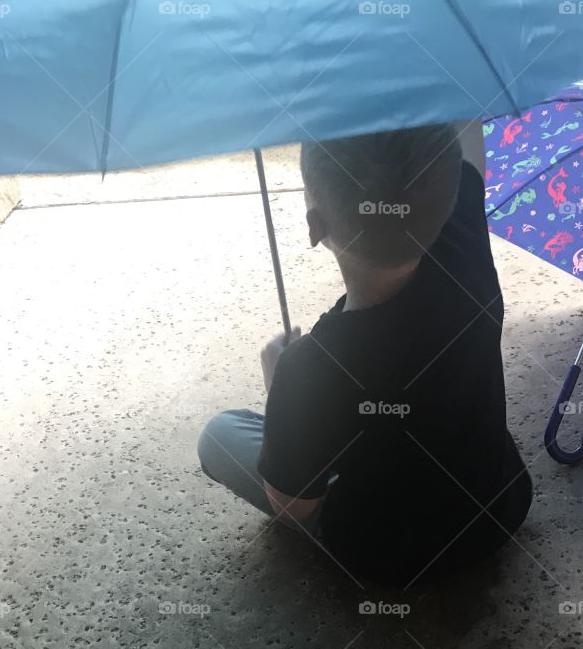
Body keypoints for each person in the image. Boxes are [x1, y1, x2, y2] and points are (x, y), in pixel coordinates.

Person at [198, 122, 532, 586]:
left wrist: (282, 391)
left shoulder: (309, 369)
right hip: (502, 507)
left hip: (391, 562)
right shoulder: (465, 238)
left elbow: (292, 504)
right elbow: (466, 133)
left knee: (217, 435)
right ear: (455, 194)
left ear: (316, 228)